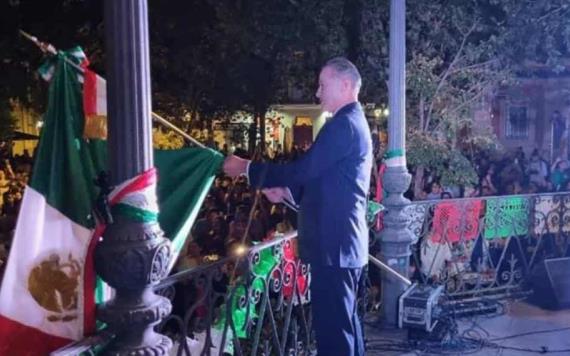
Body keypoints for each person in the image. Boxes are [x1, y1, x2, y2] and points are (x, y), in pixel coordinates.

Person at [223, 57, 371, 356]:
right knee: (345, 326)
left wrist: (248, 168)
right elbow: (326, 184)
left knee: (334, 334)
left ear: (344, 85)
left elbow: (302, 170)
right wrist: (287, 193)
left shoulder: (343, 125)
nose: (317, 93)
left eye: (322, 85)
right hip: (341, 244)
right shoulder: (350, 122)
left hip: (335, 246)